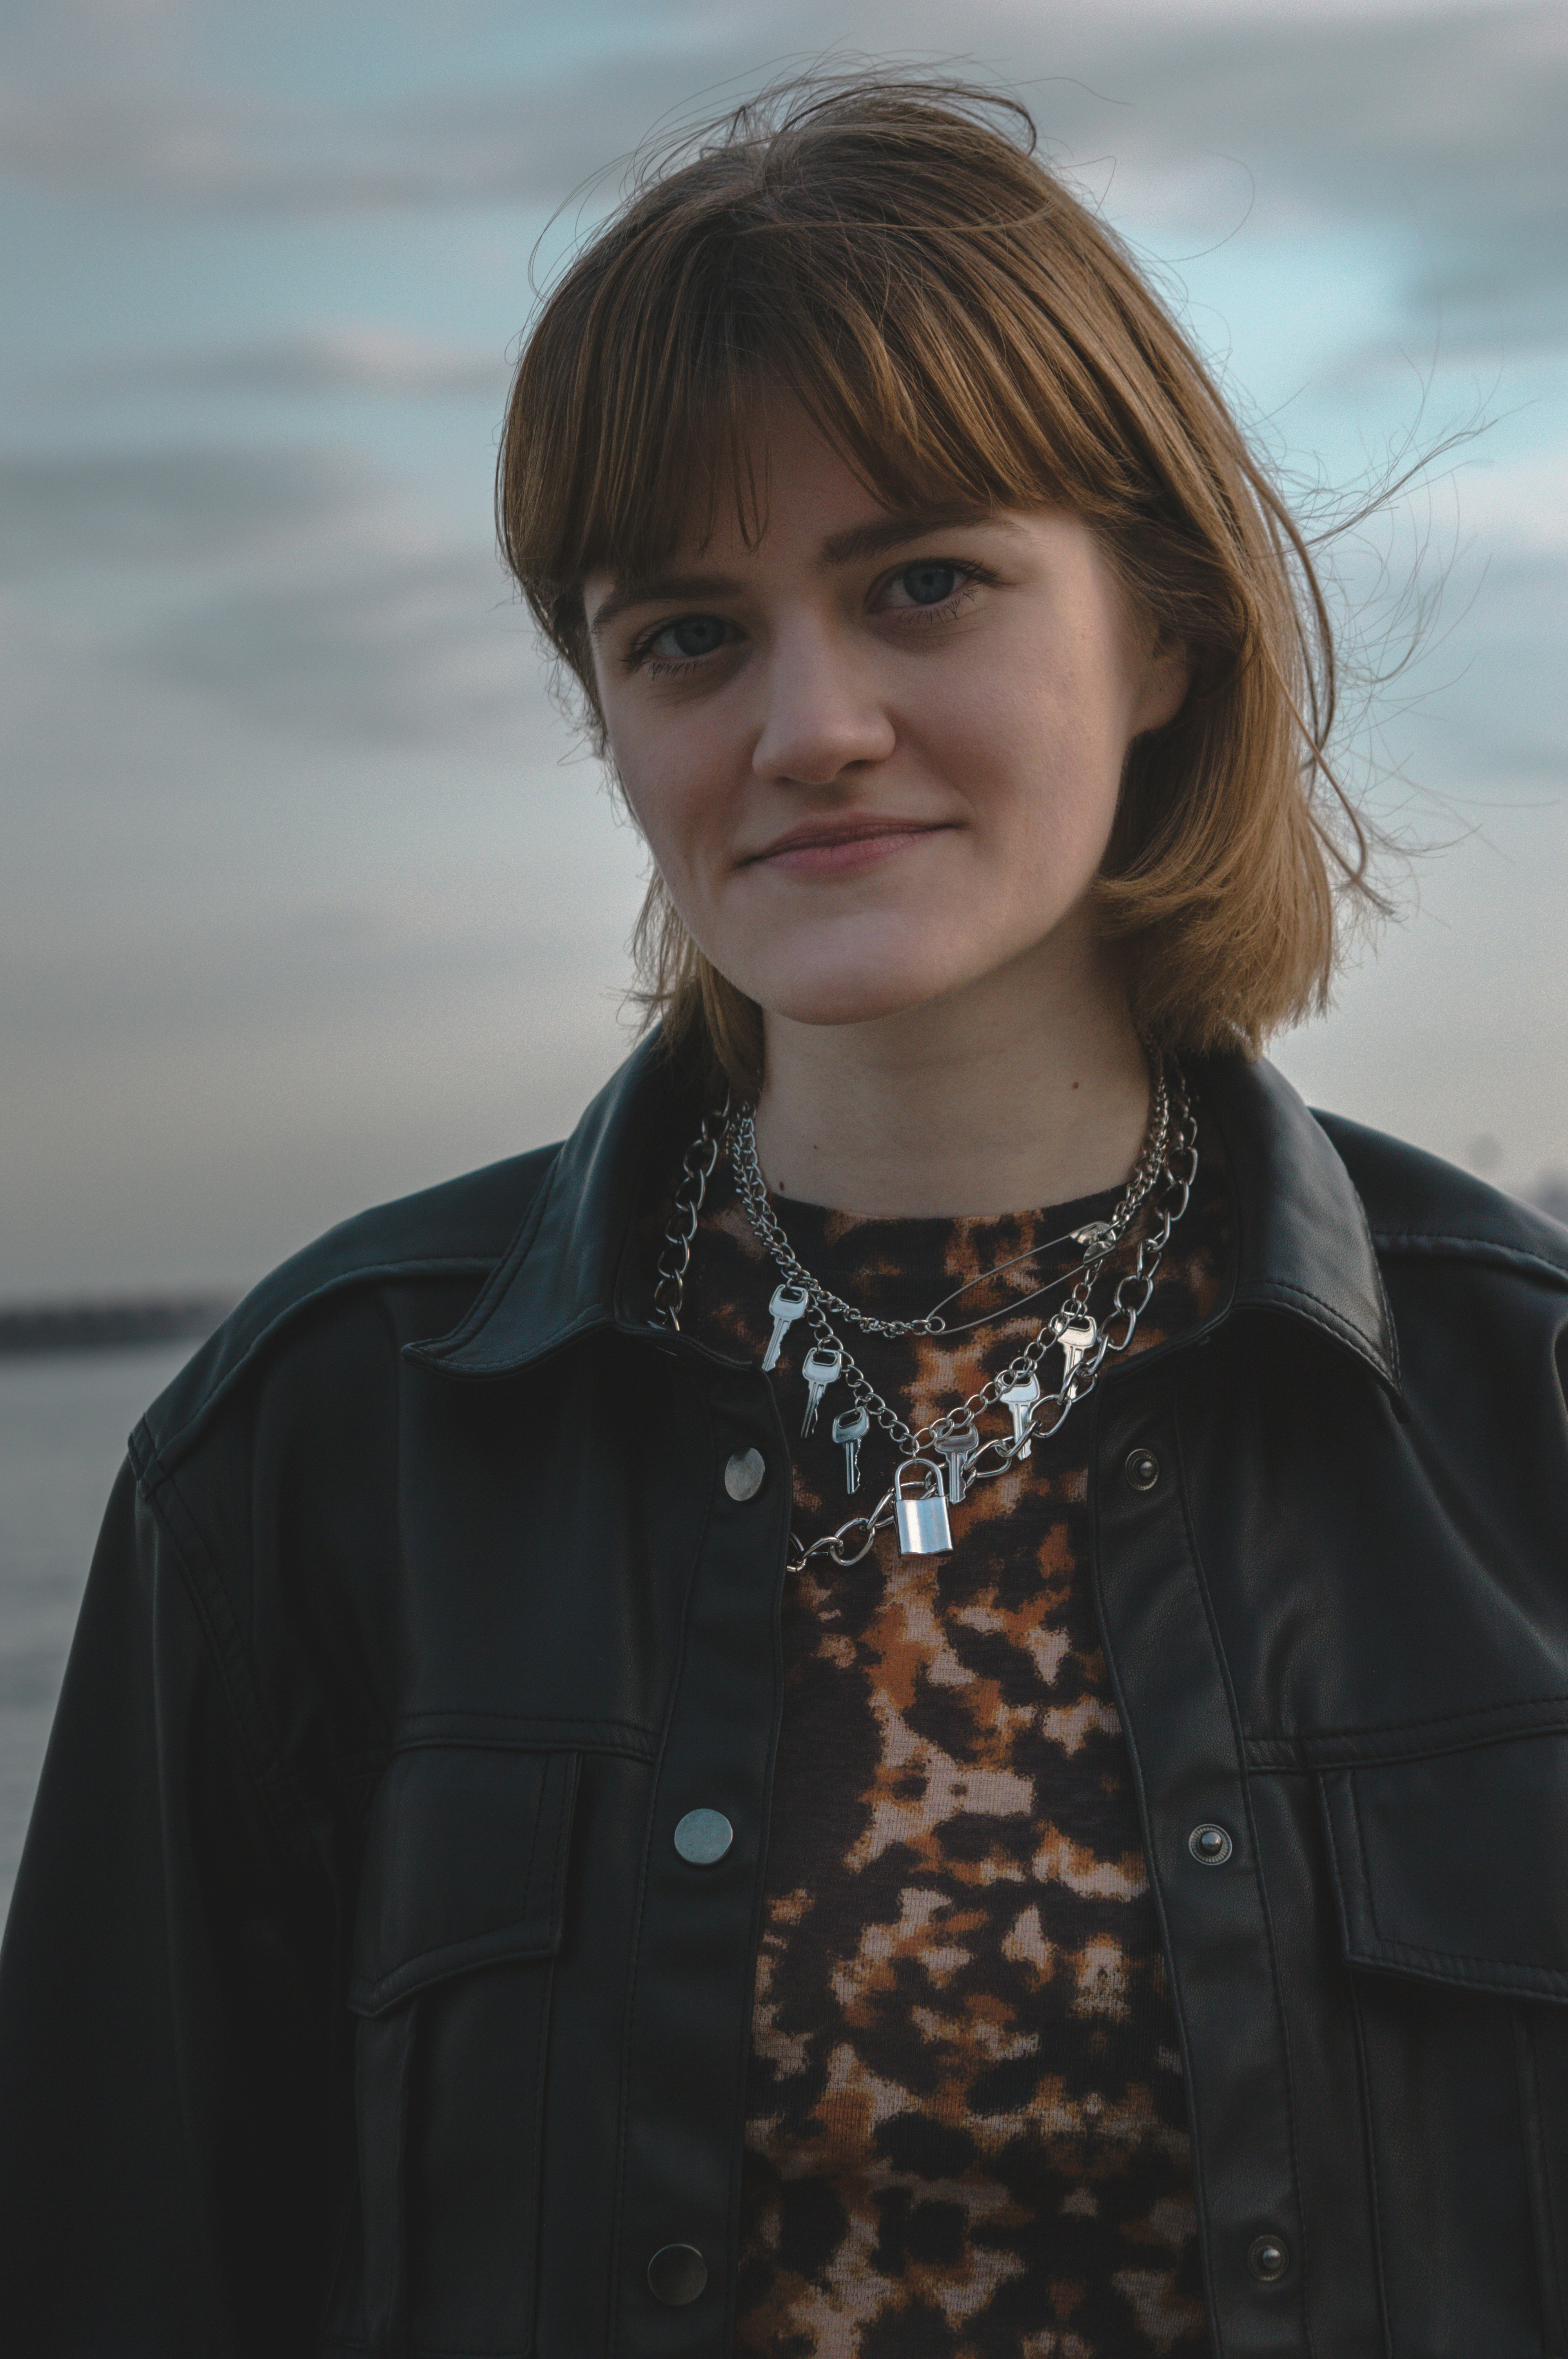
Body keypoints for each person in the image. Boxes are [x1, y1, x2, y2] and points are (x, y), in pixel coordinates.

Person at [2, 71, 1566, 2359]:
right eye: (689, 635)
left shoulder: (1525, 1403)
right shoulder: (316, 1453)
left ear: (1161, 630)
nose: (811, 725)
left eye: (923, 583)